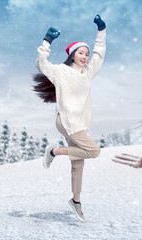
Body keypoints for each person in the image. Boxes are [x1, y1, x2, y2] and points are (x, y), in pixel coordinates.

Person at [33, 14, 106, 222]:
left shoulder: (88, 72)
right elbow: (41, 63)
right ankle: (54, 151)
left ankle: (76, 201)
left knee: (78, 161)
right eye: (81, 53)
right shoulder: (60, 71)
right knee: (93, 150)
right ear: (73, 54)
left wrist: (101, 30)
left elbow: (99, 54)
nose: (85, 56)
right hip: (65, 121)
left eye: (86, 53)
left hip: (79, 124)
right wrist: (47, 41)